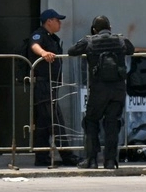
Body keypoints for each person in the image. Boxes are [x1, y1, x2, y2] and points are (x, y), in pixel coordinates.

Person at [67, 15, 136, 170]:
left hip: (98, 89)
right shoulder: (121, 40)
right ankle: (110, 161)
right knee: (112, 124)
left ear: (94, 30)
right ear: (110, 28)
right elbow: (131, 50)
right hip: (117, 90)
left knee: (91, 121)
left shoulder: (89, 41)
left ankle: (91, 160)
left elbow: (71, 51)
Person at [26, 9, 80, 167]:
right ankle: (67, 156)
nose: (60, 23)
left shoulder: (52, 37)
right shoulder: (39, 35)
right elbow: (34, 45)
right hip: (43, 85)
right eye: (57, 20)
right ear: (49, 21)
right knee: (56, 121)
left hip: (50, 84)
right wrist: (44, 53)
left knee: (43, 124)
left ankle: (41, 157)